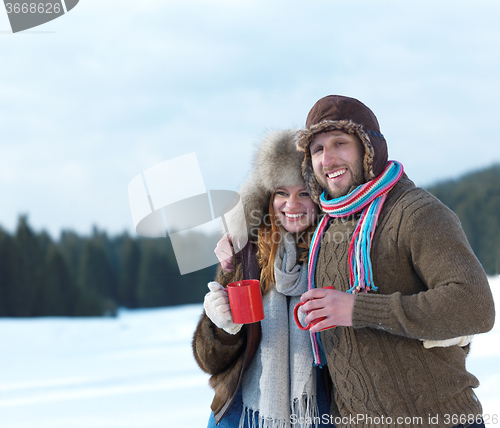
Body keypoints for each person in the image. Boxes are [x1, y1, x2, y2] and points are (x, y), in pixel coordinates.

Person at [294, 95, 495, 428]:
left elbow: (475, 306)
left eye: (339, 143)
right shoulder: (324, 227)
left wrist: (358, 309)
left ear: (369, 148)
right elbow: (275, 225)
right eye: (317, 150)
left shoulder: (417, 212)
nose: (327, 159)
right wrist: (235, 245)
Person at [192, 129, 335, 428]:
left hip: (321, 411)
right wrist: (220, 327)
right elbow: (211, 362)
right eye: (281, 193)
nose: (291, 205)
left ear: (321, 196)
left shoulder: (338, 252)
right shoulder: (246, 255)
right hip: (244, 412)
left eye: (303, 193)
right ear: (267, 199)